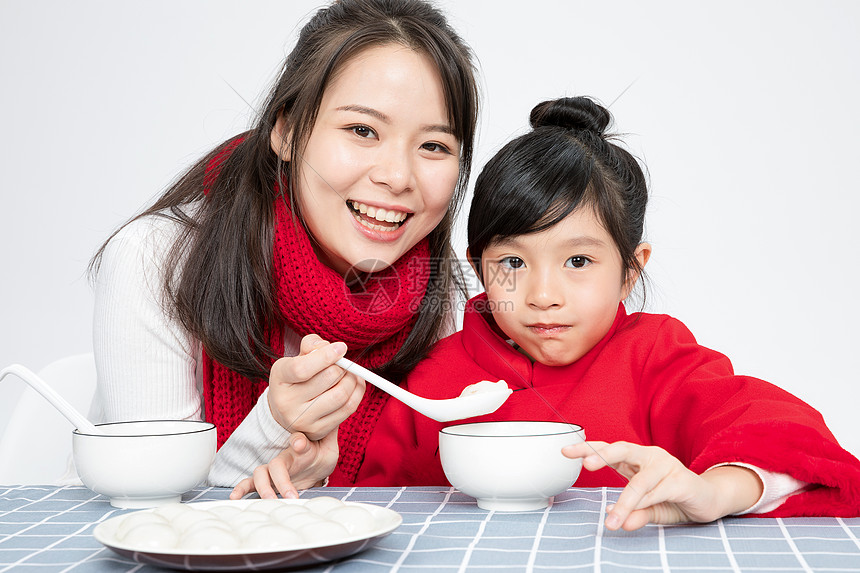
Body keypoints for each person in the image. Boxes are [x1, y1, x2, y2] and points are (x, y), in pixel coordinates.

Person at [243, 96, 860, 529]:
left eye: (579, 262)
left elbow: (779, 433)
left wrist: (713, 491)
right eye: (512, 263)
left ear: (632, 268)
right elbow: (373, 506)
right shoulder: (438, 377)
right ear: (476, 263)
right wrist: (307, 475)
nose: (542, 295)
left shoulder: (657, 357)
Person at [88, 0, 478, 489]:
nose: (398, 177)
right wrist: (275, 427)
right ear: (287, 130)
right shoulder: (154, 260)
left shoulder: (448, 294)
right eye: (362, 130)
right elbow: (154, 507)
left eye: (434, 146)